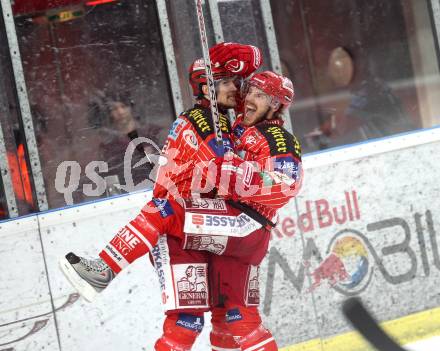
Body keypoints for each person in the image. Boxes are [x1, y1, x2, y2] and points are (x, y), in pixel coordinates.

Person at [60, 42, 265, 351]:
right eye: (224, 83)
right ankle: (104, 269)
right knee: (188, 318)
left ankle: (105, 268)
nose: (233, 88)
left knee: (226, 315)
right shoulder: (203, 120)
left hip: (205, 224)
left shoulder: (223, 121)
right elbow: (224, 171)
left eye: (233, 82)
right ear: (205, 89)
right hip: (181, 230)